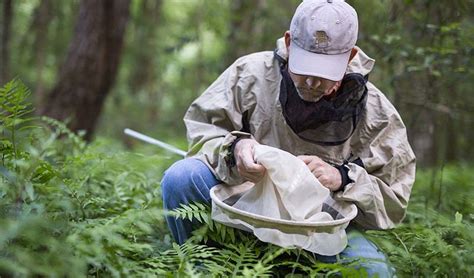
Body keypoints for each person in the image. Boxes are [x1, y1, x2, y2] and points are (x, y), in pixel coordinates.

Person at [161, 0, 416, 276]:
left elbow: (394, 197)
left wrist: (342, 178)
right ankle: (203, 269)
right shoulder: (250, 75)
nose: (310, 82)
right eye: (304, 66)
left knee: (375, 272)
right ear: (289, 42)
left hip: (319, 229)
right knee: (181, 178)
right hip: (242, 211)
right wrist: (235, 148)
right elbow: (203, 132)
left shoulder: (376, 112)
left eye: (324, 72)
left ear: (350, 55)